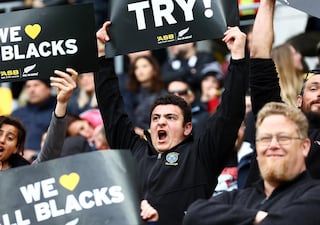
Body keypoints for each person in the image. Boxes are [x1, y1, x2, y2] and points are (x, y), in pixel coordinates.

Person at [96, 22, 248, 225]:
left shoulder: (201, 155)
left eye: (170, 118)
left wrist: (237, 58)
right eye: (156, 118)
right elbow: (111, 110)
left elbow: (229, 114)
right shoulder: (135, 151)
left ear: (188, 128)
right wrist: (101, 56)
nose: (161, 123)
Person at [182, 102, 320, 225]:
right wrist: (257, 216)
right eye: (265, 138)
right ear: (257, 149)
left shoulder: (315, 194)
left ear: (305, 146)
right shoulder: (238, 198)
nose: (273, 145)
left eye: (283, 138)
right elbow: (194, 215)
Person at [247, 0, 320, 184]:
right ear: (298, 100)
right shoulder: (276, 120)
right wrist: (266, 3)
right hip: (255, 206)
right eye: (313, 88)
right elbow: (260, 55)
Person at [11, 79, 57, 157]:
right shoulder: (16, 114)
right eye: (28, 86)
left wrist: (36, 154)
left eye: (36, 85)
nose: (31, 90)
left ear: (48, 88)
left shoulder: (59, 111)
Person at [125, 55, 167, 134]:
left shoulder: (163, 95)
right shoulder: (129, 94)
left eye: (144, 66)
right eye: (136, 68)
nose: (140, 71)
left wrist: (145, 133)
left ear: (154, 70)